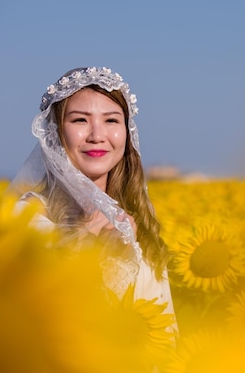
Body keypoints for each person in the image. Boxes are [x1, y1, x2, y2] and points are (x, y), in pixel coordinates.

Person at [11, 67, 175, 320]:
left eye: (111, 120)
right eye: (80, 120)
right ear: (55, 133)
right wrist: (89, 243)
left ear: (127, 133)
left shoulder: (141, 217)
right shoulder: (27, 216)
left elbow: (163, 324)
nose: (97, 136)